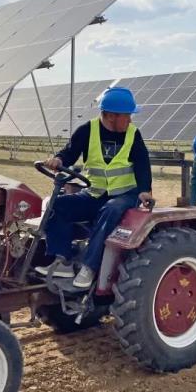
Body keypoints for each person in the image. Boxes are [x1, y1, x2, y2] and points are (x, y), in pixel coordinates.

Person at [35, 87, 154, 288]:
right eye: (127, 115)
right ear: (111, 116)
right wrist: (58, 159)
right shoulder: (87, 130)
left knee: (110, 210)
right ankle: (62, 261)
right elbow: (69, 152)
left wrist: (144, 189)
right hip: (94, 193)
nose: (130, 120)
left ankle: (89, 267)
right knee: (56, 205)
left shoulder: (133, 134)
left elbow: (142, 163)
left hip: (125, 195)